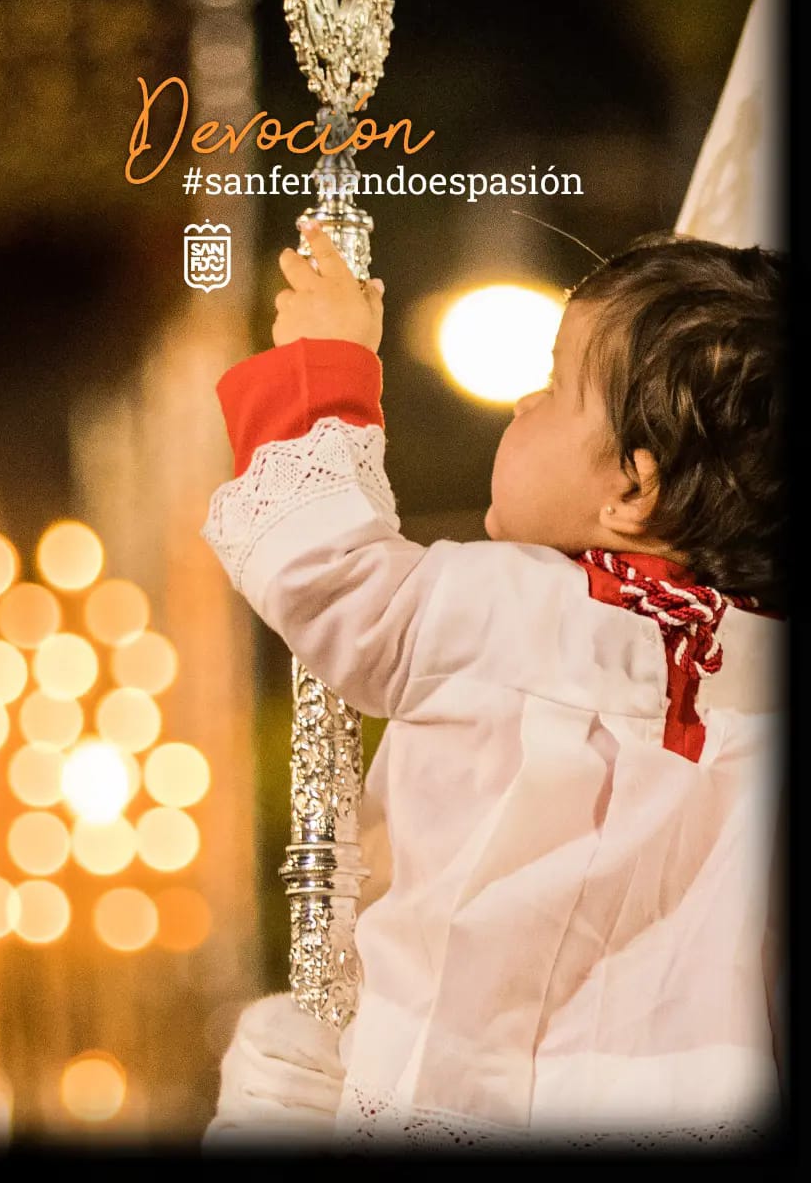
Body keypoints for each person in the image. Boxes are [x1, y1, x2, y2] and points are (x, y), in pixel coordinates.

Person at [199, 220, 787, 1149]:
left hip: (455, 1081)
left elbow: (324, 570)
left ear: (635, 490)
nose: (521, 403)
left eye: (553, 386)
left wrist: (325, 362)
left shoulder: (509, 611)